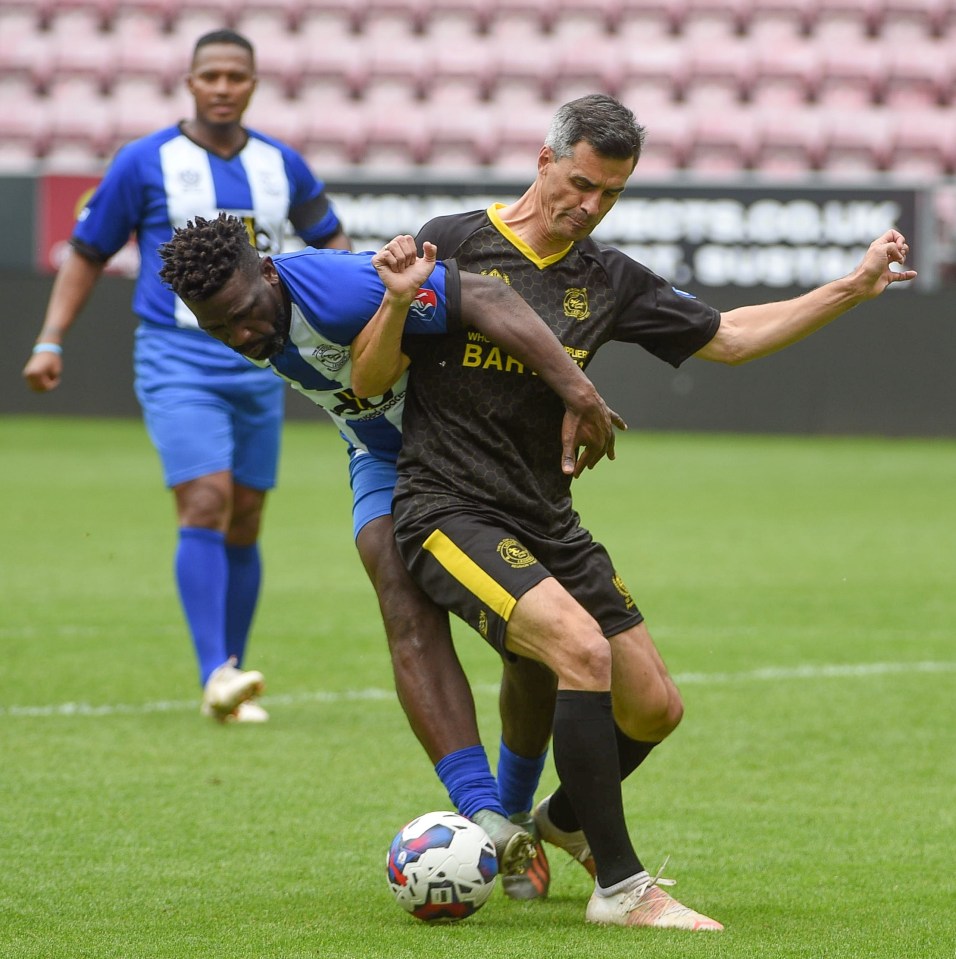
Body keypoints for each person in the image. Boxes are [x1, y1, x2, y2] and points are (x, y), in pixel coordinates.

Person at [354, 93, 917, 929]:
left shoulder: (604, 277)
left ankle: (556, 823)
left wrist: (853, 287)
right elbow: (367, 382)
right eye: (579, 183)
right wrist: (398, 301)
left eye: (611, 193)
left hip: (548, 516)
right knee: (579, 650)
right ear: (543, 162)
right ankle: (621, 888)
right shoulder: (455, 240)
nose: (589, 206)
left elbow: (728, 336)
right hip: (450, 508)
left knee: (653, 706)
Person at [155, 212, 623, 877]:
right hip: (381, 459)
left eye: (243, 313)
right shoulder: (249, 322)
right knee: (396, 591)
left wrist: (577, 390)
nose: (241, 334)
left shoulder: (340, 290)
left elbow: (488, 295)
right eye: (218, 329)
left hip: (471, 455)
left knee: (531, 647)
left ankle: (516, 813)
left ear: (266, 272)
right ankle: (483, 812)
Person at [21, 30, 350, 724]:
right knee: (206, 500)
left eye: (237, 75)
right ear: (191, 82)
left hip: (265, 361)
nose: (224, 86)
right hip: (176, 356)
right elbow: (86, 251)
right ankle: (215, 671)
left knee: (248, 515)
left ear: (254, 84)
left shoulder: (280, 164)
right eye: (211, 75)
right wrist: (50, 338)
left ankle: (230, 670)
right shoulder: (144, 162)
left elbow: (335, 246)